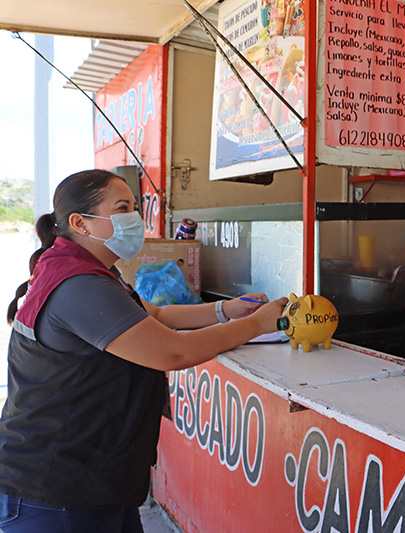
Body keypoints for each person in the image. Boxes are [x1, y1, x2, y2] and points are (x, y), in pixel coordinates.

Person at [0, 170, 288, 532]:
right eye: (122, 208)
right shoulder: (79, 285)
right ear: (80, 223)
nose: (135, 218)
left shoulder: (90, 270)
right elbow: (174, 353)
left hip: (95, 480)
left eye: (135, 207)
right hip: (54, 490)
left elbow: (157, 314)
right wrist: (257, 325)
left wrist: (227, 310)